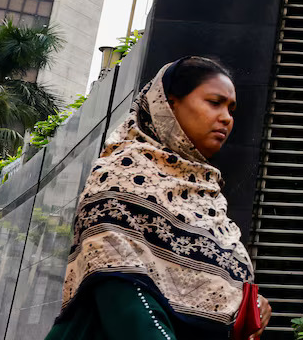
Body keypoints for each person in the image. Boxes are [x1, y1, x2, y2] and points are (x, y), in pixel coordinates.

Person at [44, 57, 273, 339]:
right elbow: (119, 288)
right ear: (170, 104)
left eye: (231, 108)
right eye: (215, 102)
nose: (226, 117)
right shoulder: (121, 174)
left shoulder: (208, 196)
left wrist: (249, 305)